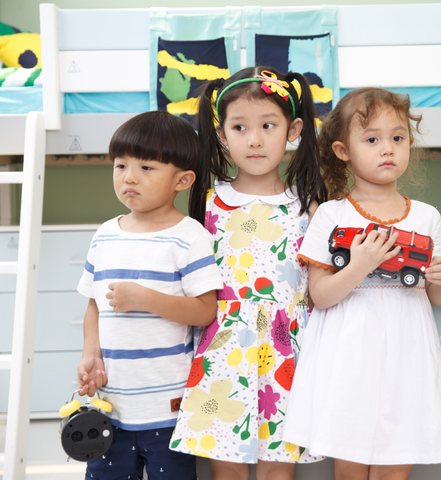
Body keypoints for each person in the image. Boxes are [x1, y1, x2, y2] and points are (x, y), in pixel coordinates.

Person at [282, 87, 441, 480]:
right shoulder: (331, 215)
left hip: (407, 354)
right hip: (348, 355)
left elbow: (438, 295)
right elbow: (320, 295)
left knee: (393, 470)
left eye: (397, 138)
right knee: (349, 468)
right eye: (371, 140)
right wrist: (359, 265)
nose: (387, 149)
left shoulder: (426, 217)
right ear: (342, 150)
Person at [168, 67, 327, 479]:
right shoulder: (209, 203)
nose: (254, 139)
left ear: (293, 130)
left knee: (279, 471)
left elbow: (319, 288)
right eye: (240, 127)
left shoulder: (308, 207)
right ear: (222, 135)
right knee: (227, 470)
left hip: (287, 351)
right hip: (223, 348)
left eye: (267, 126)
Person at [76, 110, 224, 480]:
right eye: (121, 165)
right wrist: (91, 354)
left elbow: (205, 311)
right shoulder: (105, 235)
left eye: (146, 167)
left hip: (167, 409)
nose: (129, 177)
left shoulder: (190, 237)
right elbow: (93, 304)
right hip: (110, 405)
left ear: (182, 180)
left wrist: (144, 298)